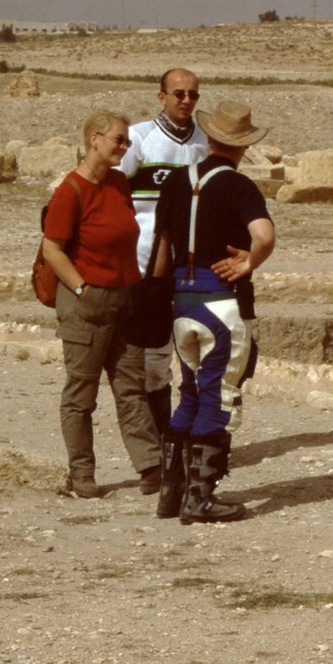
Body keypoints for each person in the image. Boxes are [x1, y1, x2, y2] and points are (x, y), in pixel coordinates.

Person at [149, 100, 275, 525]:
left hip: (181, 303)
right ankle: (200, 498)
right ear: (244, 145)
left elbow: (162, 246)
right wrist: (249, 262)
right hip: (221, 303)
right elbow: (264, 235)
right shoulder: (239, 186)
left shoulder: (176, 182)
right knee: (219, 397)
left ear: (210, 137)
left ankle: (171, 493)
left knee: (190, 393)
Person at [40, 111, 162, 499]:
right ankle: (82, 474)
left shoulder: (118, 183)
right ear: (94, 139)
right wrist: (82, 290)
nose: (124, 147)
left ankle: (151, 466)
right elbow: (52, 249)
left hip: (124, 300)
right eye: (118, 140)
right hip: (86, 303)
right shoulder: (70, 191)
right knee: (82, 393)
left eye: (126, 141)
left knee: (130, 387)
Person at [120, 68, 209, 440]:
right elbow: (113, 192)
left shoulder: (204, 142)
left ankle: (185, 434)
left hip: (189, 265)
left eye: (193, 94)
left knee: (192, 348)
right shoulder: (139, 137)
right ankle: (154, 442)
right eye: (179, 93)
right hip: (144, 262)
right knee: (151, 354)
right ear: (161, 96)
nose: (186, 100)